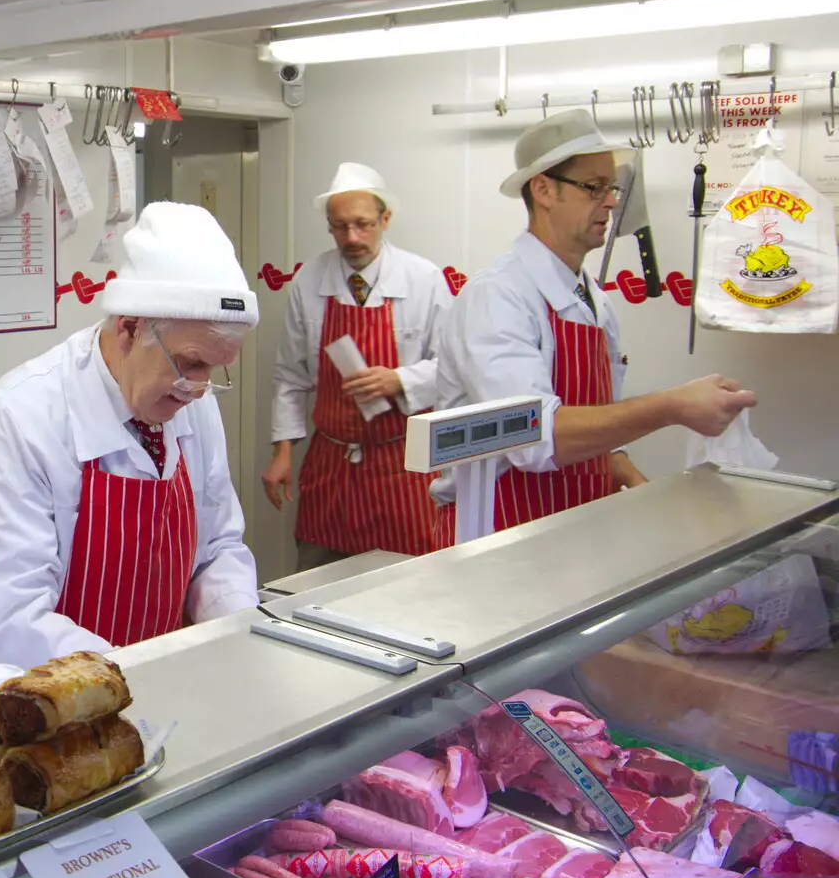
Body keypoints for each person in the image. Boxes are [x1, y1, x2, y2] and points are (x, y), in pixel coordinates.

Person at [0, 202, 260, 669]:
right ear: (130, 328)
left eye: (216, 369)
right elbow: (12, 614)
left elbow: (216, 548)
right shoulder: (19, 419)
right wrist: (127, 681)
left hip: (158, 683)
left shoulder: (191, 402)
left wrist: (238, 631)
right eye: (191, 363)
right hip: (43, 702)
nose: (199, 387)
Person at [432, 110, 757, 542]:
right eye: (594, 187)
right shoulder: (498, 297)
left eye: (613, 187)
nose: (611, 201)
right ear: (544, 190)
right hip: (497, 533)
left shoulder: (593, 300)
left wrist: (633, 481)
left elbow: (600, 421)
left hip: (570, 526)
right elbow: (532, 438)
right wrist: (674, 406)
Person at [264, 163, 452, 570]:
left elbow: (453, 369)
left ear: (386, 219)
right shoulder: (309, 280)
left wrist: (399, 379)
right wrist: (282, 454)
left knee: (406, 582)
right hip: (330, 462)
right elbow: (291, 376)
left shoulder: (425, 279)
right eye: (340, 226)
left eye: (363, 224)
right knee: (317, 581)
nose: (352, 237)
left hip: (402, 463)